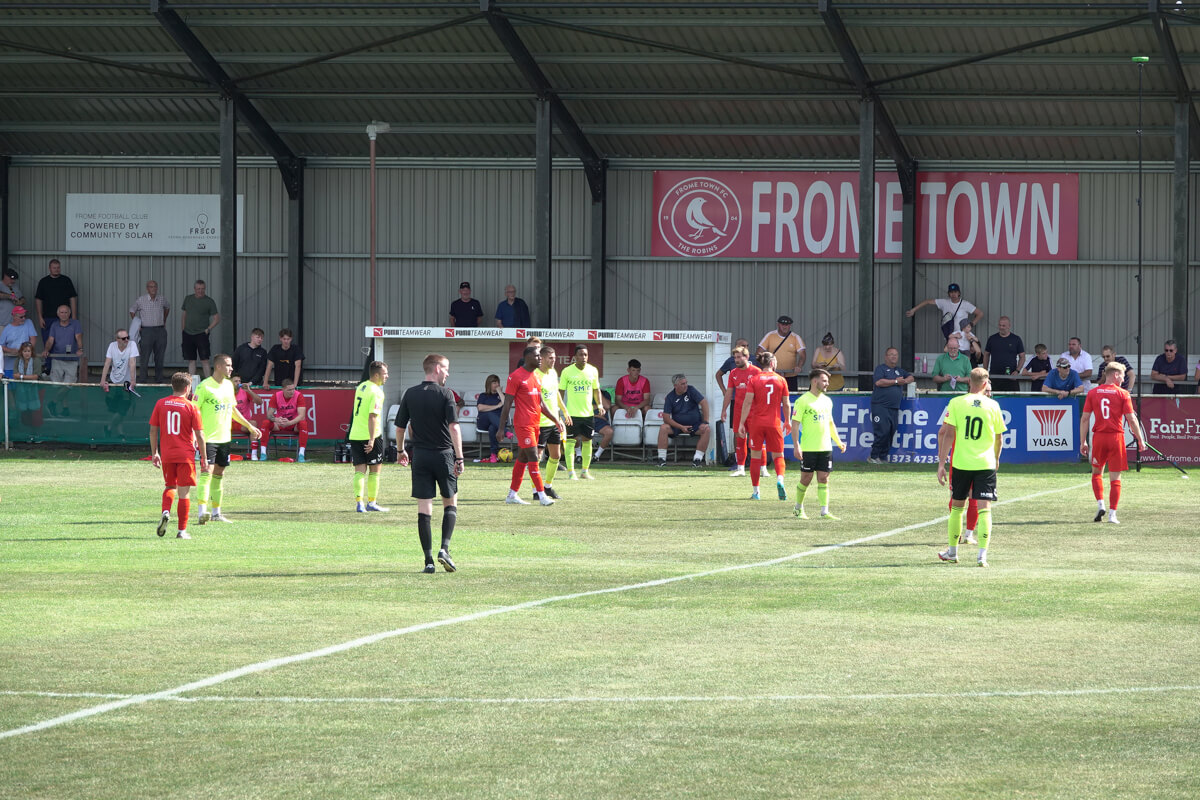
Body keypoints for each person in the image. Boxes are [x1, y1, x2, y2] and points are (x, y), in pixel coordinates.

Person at [396, 353, 465, 573]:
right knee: (450, 502)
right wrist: (460, 457)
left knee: (424, 509)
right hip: (444, 455)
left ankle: (428, 561)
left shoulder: (411, 393)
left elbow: (400, 427)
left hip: (421, 456)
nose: (448, 372)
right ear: (436, 368)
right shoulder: (446, 394)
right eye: (446, 368)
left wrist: (400, 450)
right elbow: (454, 427)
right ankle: (444, 549)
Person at [937, 368, 1006, 567]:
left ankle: (952, 552)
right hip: (985, 463)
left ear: (969, 382)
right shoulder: (993, 405)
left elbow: (948, 434)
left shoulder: (957, 403)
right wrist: (996, 458)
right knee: (985, 510)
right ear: (985, 384)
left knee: (957, 509)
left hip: (961, 463)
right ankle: (982, 556)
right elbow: (999, 438)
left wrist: (942, 463)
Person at [194, 354, 261, 525]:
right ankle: (202, 512)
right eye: (228, 365)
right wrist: (194, 435)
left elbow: (233, 411)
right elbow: (193, 412)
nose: (231, 368)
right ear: (218, 366)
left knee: (219, 473)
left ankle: (216, 513)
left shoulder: (229, 386)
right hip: (207, 438)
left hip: (224, 438)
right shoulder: (204, 387)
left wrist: (250, 426)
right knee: (206, 472)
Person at [1080, 361, 1147, 525]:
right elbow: (1131, 419)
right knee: (1115, 478)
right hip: (1116, 438)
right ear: (1115, 374)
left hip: (1099, 437)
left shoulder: (1093, 393)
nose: (1124, 379)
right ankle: (1112, 515)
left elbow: (1085, 419)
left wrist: (1083, 442)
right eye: (1122, 375)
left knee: (1097, 473)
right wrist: (1140, 439)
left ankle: (1100, 504)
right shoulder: (1123, 394)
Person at [499, 344, 563, 505]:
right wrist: (501, 428)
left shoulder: (536, 377)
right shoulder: (515, 376)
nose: (540, 358)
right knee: (534, 457)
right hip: (523, 424)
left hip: (536, 424)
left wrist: (556, 419)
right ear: (527, 357)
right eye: (537, 356)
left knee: (522, 458)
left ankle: (512, 494)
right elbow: (507, 403)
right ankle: (542, 495)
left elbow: (541, 404)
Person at [149, 372, 208, 540]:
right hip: (185, 455)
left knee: (169, 486)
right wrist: (204, 458)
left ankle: (166, 511)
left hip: (167, 454)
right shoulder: (191, 407)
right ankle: (182, 531)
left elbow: (153, 430)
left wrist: (155, 453)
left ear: (172, 386)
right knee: (184, 493)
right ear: (188, 388)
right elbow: (200, 435)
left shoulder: (161, 403)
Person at [790, 368, 846, 519]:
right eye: (825, 380)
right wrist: (797, 446)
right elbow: (794, 425)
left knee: (824, 478)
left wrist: (838, 442)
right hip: (808, 448)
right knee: (806, 479)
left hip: (825, 447)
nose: (827, 384)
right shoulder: (802, 401)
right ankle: (798, 508)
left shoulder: (827, 401)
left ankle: (824, 511)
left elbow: (830, 423)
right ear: (815, 381)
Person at [737, 352, 790, 500]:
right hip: (774, 423)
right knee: (779, 455)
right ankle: (780, 480)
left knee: (755, 456)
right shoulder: (781, 380)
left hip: (757, 423)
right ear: (772, 363)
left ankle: (756, 492)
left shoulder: (754, 379)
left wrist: (741, 423)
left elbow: (747, 403)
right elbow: (786, 404)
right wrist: (787, 421)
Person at [350, 360, 389, 512]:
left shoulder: (362, 386)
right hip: (370, 435)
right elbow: (373, 416)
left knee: (359, 470)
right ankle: (371, 503)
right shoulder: (377, 392)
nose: (387, 376)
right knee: (374, 470)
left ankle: (359, 503)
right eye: (385, 374)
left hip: (355, 434)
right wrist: (372, 439)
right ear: (377, 375)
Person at [559, 345, 603, 481]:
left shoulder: (593, 370)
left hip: (588, 414)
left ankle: (585, 471)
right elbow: (560, 392)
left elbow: (596, 389)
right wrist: (560, 409)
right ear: (575, 357)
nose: (583, 357)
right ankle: (571, 472)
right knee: (571, 442)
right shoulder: (567, 371)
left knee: (587, 442)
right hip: (571, 414)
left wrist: (599, 404)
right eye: (581, 355)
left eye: (586, 355)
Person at [719, 345, 762, 477]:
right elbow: (729, 393)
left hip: (754, 411)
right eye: (735, 357)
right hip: (738, 409)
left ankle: (762, 467)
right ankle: (741, 468)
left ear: (747, 357)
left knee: (756, 439)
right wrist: (724, 410)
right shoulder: (733, 373)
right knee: (740, 438)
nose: (736, 360)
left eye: (739, 357)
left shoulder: (756, 372)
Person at [535, 346, 572, 498]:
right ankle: (536, 490)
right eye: (550, 358)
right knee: (536, 457)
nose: (553, 360)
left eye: (555, 358)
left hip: (554, 422)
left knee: (556, 455)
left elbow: (556, 393)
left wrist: (564, 411)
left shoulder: (553, 373)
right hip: (540, 422)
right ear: (542, 359)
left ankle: (548, 486)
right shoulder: (535, 375)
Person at [868, 347, 914, 464]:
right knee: (882, 432)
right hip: (880, 406)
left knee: (890, 432)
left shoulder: (899, 371)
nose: (894, 357)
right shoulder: (881, 369)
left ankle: (883, 457)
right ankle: (873, 456)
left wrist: (905, 380)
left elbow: (910, 377)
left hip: (894, 407)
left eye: (896, 355)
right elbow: (879, 382)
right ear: (886, 356)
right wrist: (896, 382)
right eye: (891, 354)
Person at [655, 374, 710, 468]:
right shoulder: (670, 397)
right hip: (677, 426)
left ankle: (697, 460)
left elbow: (703, 402)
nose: (685, 386)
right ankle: (661, 460)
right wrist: (681, 427)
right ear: (675, 386)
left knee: (707, 429)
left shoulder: (691, 390)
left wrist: (705, 421)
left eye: (686, 383)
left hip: (694, 424)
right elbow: (666, 418)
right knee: (663, 428)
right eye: (682, 384)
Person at [906, 282, 982, 341]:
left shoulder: (965, 304)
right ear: (948, 294)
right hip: (950, 336)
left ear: (959, 293)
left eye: (955, 292)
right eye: (951, 292)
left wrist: (971, 325)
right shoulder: (944, 302)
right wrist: (914, 310)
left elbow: (980, 313)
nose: (953, 294)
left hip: (962, 337)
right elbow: (928, 301)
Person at [99, 328, 139, 437]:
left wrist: (132, 380)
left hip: (126, 383)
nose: (126, 340)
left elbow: (132, 363)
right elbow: (107, 363)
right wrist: (103, 380)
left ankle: (109, 427)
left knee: (123, 408)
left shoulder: (132, 345)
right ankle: (120, 432)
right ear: (117, 339)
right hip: (114, 381)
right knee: (115, 408)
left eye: (128, 337)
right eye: (123, 338)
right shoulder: (112, 346)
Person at [128, 280, 170, 383]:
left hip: (160, 330)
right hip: (146, 330)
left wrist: (164, 320)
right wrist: (137, 324)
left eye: (155, 286)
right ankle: (143, 379)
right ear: (147, 288)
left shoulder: (161, 299)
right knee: (144, 357)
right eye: (151, 287)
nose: (153, 289)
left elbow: (167, 307)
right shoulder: (141, 300)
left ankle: (159, 379)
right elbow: (132, 310)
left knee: (160, 356)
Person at [34, 258, 78, 351]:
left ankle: (66, 362)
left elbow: (73, 298)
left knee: (66, 341)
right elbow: (38, 300)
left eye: (58, 267)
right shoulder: (43, 282)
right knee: (48, 341)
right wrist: (40, 317)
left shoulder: (66, 280)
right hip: (48, 318)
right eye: (54, 268)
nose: (56, 269)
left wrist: (73, 316)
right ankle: (49, 365)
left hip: (65, 317)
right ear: (49, 268)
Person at [264, 378, 309, 462]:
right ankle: (263, 454)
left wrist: (290, 423)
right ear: (283, 389)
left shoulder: (298, 395)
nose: (292, 391)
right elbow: (269, 415)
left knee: (303, 423)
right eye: (289, 390)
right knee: (266, 423)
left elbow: (302, 416)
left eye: (293, 389)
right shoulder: (276, 396)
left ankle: (301, 454)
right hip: (280, 423)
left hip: (293, 423)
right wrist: (276, 419)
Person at [180, 279, 219, 377]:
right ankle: (191, 384)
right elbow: (184, 314)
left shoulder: (209, 301)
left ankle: (208, 383)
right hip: (188, 333)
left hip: (202, 334)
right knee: (191, 360)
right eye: (198, 289)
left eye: (202, 289)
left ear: (205, 289)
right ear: (194, 289)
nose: (200, 291)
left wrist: (208, 329)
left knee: (205, 360)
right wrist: (183, 329)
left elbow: (216, 318)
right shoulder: (188, 299)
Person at [757, 315, 806, 391]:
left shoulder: (795, 337)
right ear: (778, 324)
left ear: (790, 326)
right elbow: (759, 352)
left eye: (787, 325)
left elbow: (802, 355)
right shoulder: (770, 335)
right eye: (782, 324)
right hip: (773, 374)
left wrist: (799, 366)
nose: (785, 327)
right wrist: (763, 367)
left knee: (790, 397)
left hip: (790, 376)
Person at [42, 304, 83, 385]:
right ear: (58, 314)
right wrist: (46, 350)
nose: (64, 315)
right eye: (61, 312)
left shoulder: (76, 323)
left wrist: (80, 349)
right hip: (57, 359)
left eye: (66, 312)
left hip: (72, 359)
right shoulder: (54, 325)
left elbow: (79, 337)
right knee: (55, 384)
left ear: (69, 314)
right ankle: (58, 398)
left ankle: (58, 398)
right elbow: (50, 340)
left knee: (69, 384)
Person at [231, 376, 269, 461]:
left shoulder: (245, 392)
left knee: (253, 424)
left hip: (243, 423)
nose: (238, 383)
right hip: (228, 423)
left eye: (239, 381)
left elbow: (260, 402)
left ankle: (254, 454)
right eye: (235, 381)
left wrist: (249, 391)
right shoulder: (225, 392)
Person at [983, 316, 1025, 391]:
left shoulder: (1016, 339)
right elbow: (986, 355)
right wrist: (985, 371)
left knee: (1013, 399)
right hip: (994, 376)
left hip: (1011, 377)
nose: (1001, 327)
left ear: (1009, 326)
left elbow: (1022, 357)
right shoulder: (992, 339)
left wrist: (1017, 371)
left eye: (1003, 325)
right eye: (1000, 325)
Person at [10, 341, 44, 430]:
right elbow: (14, 375)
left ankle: (36, 433)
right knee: (24, 411)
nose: (27, 353)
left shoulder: (36, 360)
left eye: (29, 351)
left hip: (36, 389)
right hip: (22, 389)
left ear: (32, 352)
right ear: (21, 352)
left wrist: (21, 376)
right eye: (25, 351)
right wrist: (25, 377)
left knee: (35, 411)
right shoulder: (18, 360)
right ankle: (26, 433)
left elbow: (35, 376)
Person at [475, 374, 505, 463]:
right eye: (494, 382)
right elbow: (480, 408)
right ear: (489, 384)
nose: (496, 385)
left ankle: (493, 454)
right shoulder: (483, 395)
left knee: (492, 428)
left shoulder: (502, 395)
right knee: (489, 414)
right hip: (484, 422)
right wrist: (496, 406)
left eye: (498, 383)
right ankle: (506, 431)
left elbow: (505, 404)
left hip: (497, 423)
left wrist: (500, 392)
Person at [1, 306, 38, 378]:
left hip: (25, 363)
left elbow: (33, 338)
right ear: (14, 316)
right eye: (21, 317)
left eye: (25, 316)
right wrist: (11, 350)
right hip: (10, 364)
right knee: (10, 387)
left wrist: (27, 351)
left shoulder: (28, 322)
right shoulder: (7, 329)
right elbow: (1, 346)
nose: (24, 318)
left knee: (24, 386)